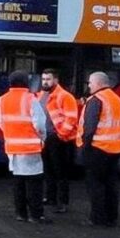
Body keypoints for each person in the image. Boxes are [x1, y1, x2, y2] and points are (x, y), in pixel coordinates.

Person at [0, 70, 49, 224]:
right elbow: (39, 124)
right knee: (34, 183)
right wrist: (42, 138)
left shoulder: (4, 99)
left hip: (12, 147)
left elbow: (1, 122)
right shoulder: (30, 99)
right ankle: (36, 215)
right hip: (30, 147)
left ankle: (20, 213)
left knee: (18, 182)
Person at [76, 71, 120, 228]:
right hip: (115, 148)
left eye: (90, 83)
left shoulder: (96, 100)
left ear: (98, 83)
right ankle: (111, 217)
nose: (89, 86)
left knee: (95, 185)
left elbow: (89, 128)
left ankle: (97, 218)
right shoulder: (115, 98)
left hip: (98, 149)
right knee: (110, 184)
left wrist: (84, 147)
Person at [37, 68, 79, 213]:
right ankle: (51, 198)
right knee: (48, 170)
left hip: (60, 139)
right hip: (46, 138)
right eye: (43, 79)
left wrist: (61, 134)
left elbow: (72, 118)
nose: (45, 82)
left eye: (48, 79)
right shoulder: (41, 95)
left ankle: (63, 203)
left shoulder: (65, 96)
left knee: (61, 172)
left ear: (56, 80)